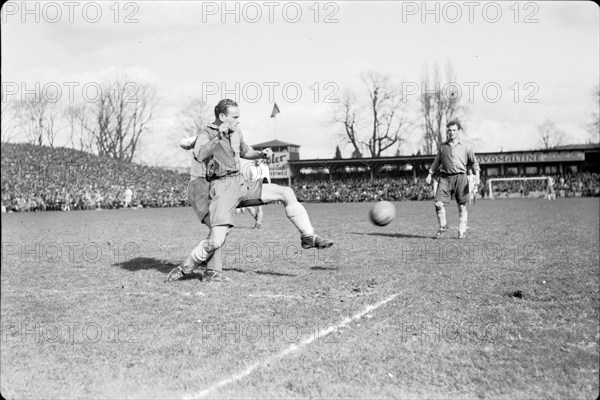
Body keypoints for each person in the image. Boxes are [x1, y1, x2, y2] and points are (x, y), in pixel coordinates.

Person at [168, 99, 333, 282]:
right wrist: (218, 137)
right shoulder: (206, 133)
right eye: (235, 117)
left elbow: (245, 151)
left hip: (241, 182)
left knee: (285, 192)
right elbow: (200, 155)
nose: (238, 120)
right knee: (216, 240)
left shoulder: (237, 131)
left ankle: (308, 237)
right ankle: (185, 268)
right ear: (222, 117)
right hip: (222, 187)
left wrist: (261, 154)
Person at [425, 120, 480, 239]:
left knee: (462, 206)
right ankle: (443, 225)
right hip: (445, 177)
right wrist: (430, 174)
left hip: (461, 177)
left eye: (454, 130)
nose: (451, 132)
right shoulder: (443, 147)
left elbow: (474, 163)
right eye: (449, 130)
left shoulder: (466, 146)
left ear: (458, 131)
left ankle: (462, 231)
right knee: (438, 203)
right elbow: (436, 162)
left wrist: (478, 177)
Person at [239, 158, 271, 229]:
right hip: (252, 188)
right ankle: (258, 222)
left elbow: (268, 178)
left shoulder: (265, 167)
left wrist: (269, 189)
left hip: (262, 187)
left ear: (262, 160)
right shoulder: (251, 167)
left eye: (258, 159)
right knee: (248, 206)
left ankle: (258, 224)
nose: (257, 160)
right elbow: (250, 178)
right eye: (255, 159)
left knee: (259, 207)